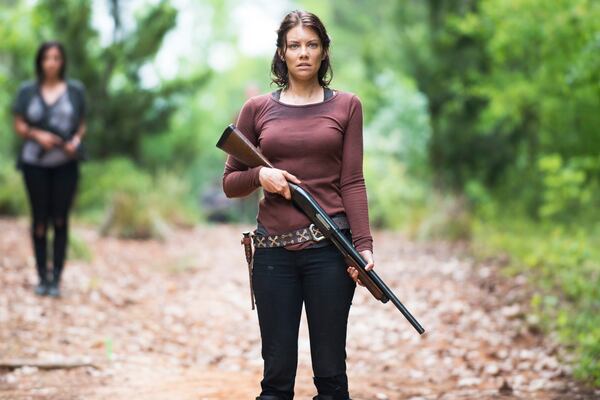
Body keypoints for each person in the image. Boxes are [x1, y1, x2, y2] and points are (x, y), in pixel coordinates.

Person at [222, 10, 374, 400]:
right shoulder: (256, 109)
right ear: (281, 53)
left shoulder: (347, 106)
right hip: (273, 254)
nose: (303, 53)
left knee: (331, 378)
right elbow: (230, 183)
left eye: (312, 44)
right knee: (275, 381)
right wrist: (260, 176)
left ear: (324, 52)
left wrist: (364, 246)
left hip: (330, 249)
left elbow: (352, 181)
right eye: (294, 45)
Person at [12, 41, 87, 298]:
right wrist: (37, 136)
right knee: (39, 220)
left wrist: (74, 143)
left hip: (66, 164)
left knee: (61, 219)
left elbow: (81, 124)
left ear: (62, 61)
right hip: (35, 163)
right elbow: (18, 123)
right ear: (40, 61)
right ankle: (41, 276)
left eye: (56, 58)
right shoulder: (27, 91)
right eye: (47, 58)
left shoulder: (75, 91)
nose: (52, 63)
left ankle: (57, 278)